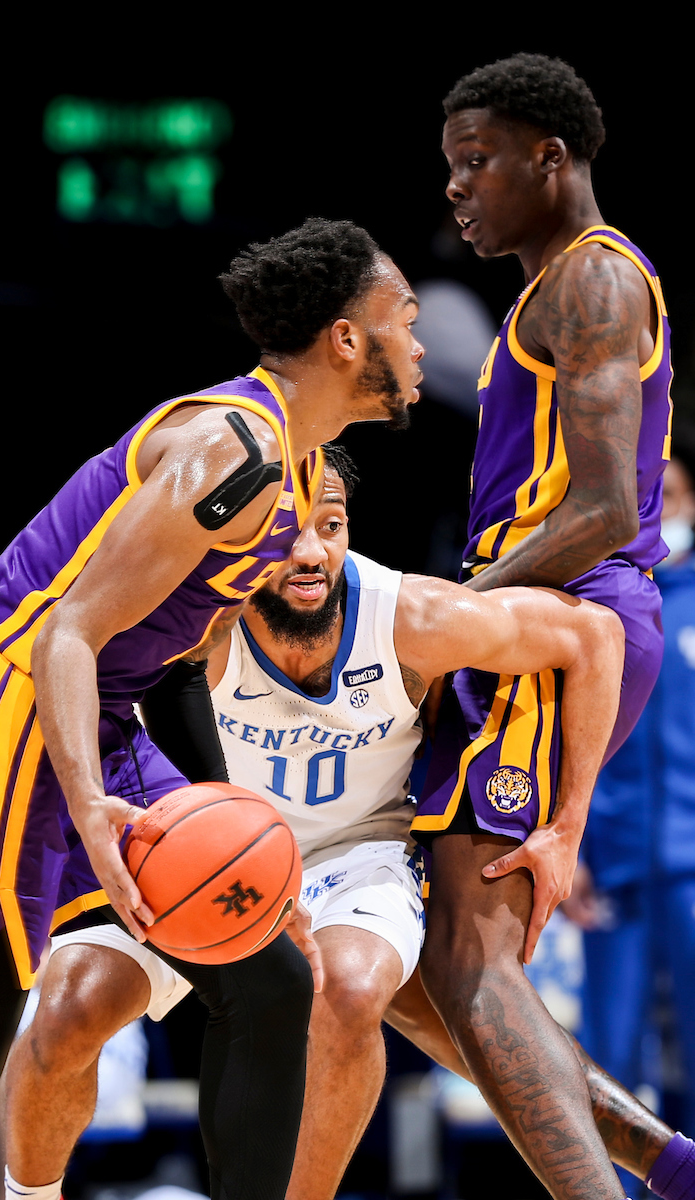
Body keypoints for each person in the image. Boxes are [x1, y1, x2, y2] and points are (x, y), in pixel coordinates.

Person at [0, 217, 425, 1200]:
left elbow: (174, 664)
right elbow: (67, 632)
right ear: (347, 339)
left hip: (97, 714)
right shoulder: (231, 452)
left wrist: (242, 826)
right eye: (405, 315)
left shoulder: (295, 473)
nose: (420, 339)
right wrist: (92, 810)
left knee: (269, 977)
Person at [9, 452, 689, 1200]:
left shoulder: (408, 615)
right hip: (190, 851)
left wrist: (567, 825)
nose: (310, 551)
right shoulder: (192, 619)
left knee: (354, 990)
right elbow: (59, 655)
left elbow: (594, 637)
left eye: (330, 526)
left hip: (353, 855)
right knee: (69, 1015)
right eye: (286, 528)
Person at [410, 53, 677, 1200]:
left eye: (476, 162)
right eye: (449, 167)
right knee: (420, 968)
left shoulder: (591, 282)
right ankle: (662, 1166)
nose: (458, 189)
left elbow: (608, 506)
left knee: (473, 962)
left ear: (547, 158)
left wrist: (453, 617)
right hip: (534, 620)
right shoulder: (550, 290)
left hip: (563, 623)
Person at [564, 444, 695, 1198]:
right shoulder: (601, 612)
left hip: (690, 865)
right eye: (656, 495)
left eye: (676, 491)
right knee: (609, 1048)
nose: (668, 505)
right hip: (609, 863)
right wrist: (572, 845)